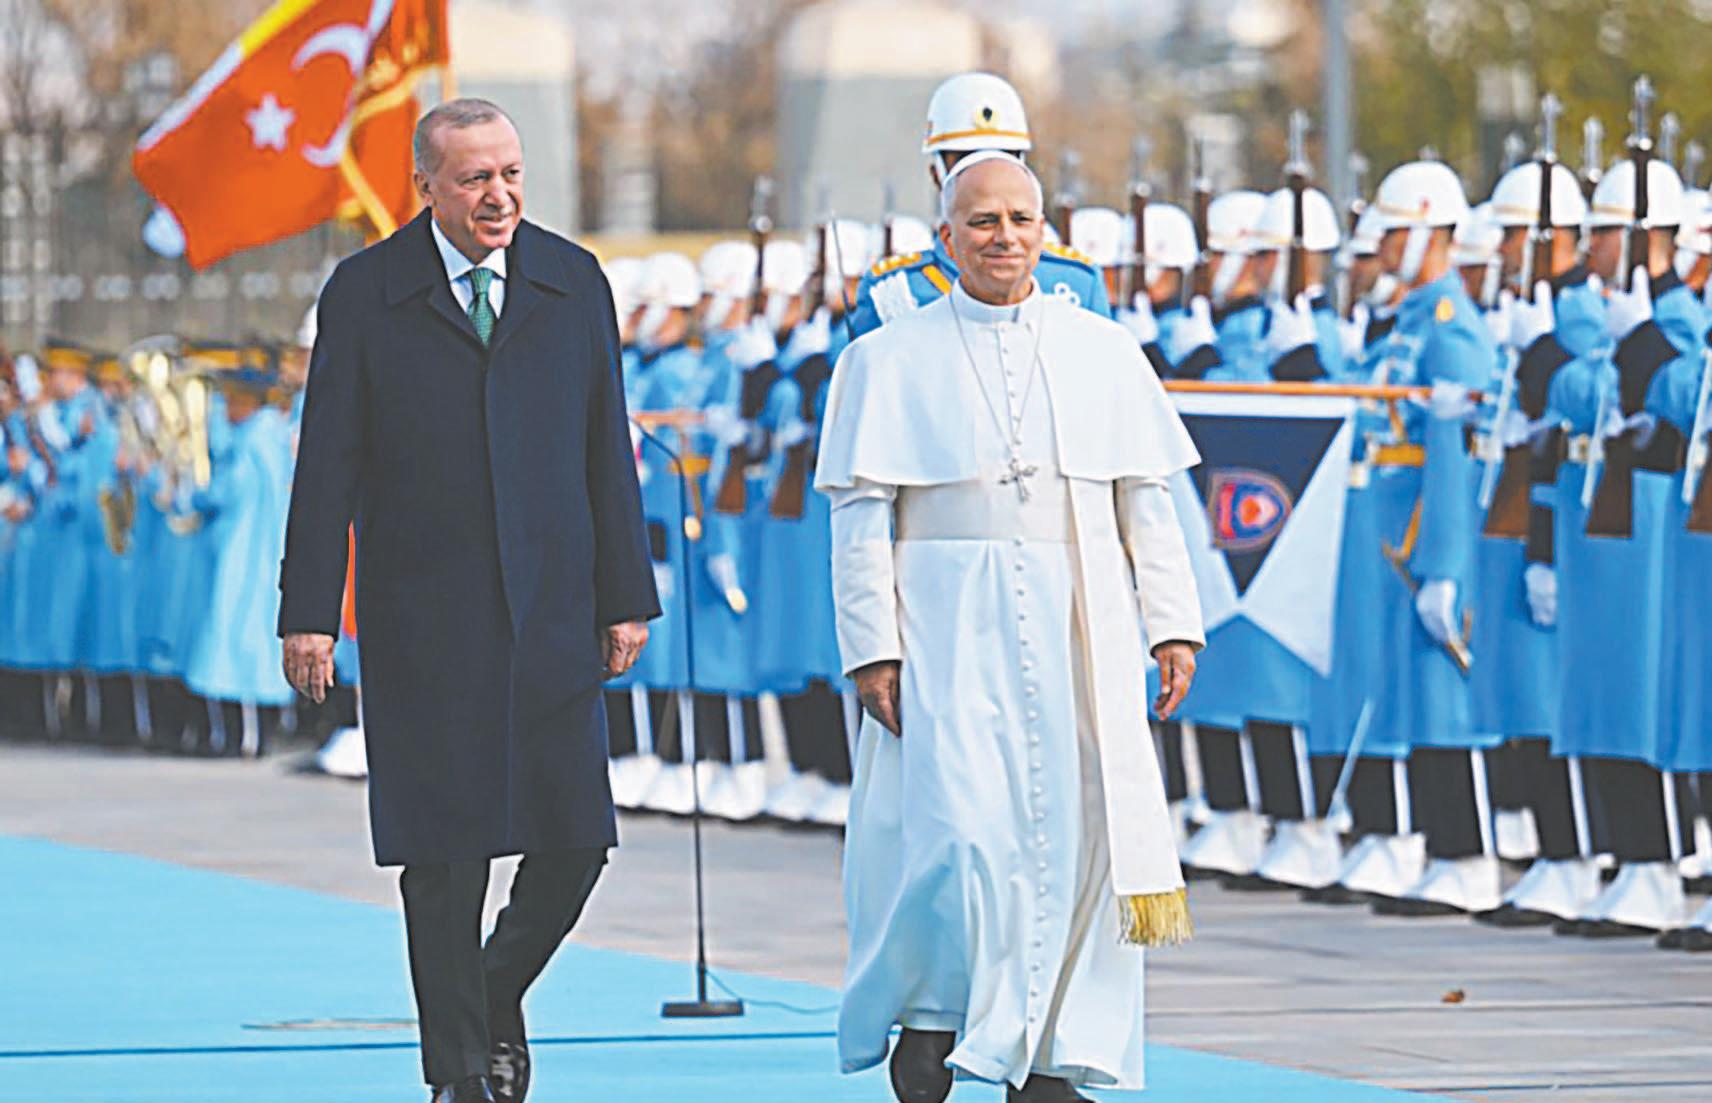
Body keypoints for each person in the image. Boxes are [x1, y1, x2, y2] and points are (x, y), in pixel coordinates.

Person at [277, 99, 658, 1103]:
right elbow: (327, 463)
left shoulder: (572, 280)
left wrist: (626, 594)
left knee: (574, 841)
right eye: (475, 178)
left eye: (511, 174)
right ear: (427, 186)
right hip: (424, 615)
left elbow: (605, 445)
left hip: (551, 609)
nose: (499, 196)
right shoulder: (367, 292)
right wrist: (308, 611)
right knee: (445, 857)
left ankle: (487, 1000)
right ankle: (456, 1070)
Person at [818, 151, 1202, 1103]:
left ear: (1044, 232)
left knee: (1074, 835)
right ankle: (938, 1009)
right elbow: (860, 516)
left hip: (1080, 623)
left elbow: (1146, 501)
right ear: (946, 237)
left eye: (1020, 220)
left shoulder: (1103, 350)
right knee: (955, 836)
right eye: (983, 221)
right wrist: (872, 648)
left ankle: (1051, 1051)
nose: (1004, 238)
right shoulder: (885, 359)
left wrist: (1173, 625)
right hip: (945, 626)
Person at [849, 72, 1109, 338]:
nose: (984, 172)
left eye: (1002, 157)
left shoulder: (1077, 283)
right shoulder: (893, 292)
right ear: (936, 174)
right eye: (965, 159)